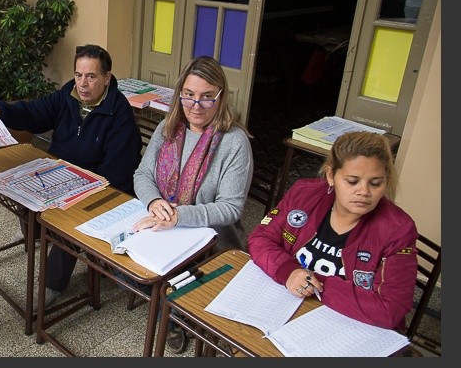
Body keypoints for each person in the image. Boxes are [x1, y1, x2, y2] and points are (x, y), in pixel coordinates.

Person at [0, 44, 143, 309]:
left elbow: (117, 174)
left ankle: (52, 284)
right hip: (62, 173)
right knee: (21, 191)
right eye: (78, 75)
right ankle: (38, 235)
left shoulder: (119, 114)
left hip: (101, 187)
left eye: (91, 76)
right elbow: (34, 113)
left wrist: (79, 192)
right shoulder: (68, 95)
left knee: (66, 222)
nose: (83, 84)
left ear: (107, 78)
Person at [131, 55, 253, 353]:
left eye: (207, 97)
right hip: (163, 226)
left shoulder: (234, 142)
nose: (196, 106)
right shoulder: (168, 128)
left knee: (165, 280)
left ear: (221, 97)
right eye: (189, 95)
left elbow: (230, 208)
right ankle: (172, 310)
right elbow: (142, 174)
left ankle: (173, 317)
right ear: (180, 94)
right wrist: (155, 200)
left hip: (212, 241)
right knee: (120, 263)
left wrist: (176, 215)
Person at [248, 131, 418, 331]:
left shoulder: (398, 229)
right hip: (291, 308)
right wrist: (288, 271)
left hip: (353, 326)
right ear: (331, 175)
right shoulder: (304, 193)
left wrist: (316, 283)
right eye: (352, 181)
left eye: (375, 183)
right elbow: (260, 238)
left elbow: (390, 310)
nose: (364, 191)